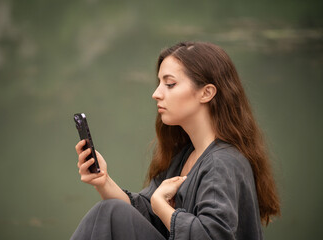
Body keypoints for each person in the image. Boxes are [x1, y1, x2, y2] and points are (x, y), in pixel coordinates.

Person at [71, 41, 280, 240]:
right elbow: (144, 215)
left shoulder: (222, 162)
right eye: (159, 83)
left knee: (110, 212)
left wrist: (161, 206)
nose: (156, 94)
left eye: (170, 84)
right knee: (111, 212)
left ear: (206, 93)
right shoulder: (185, 155)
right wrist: (103, 181)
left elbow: (211, 236)